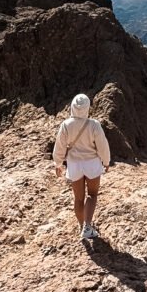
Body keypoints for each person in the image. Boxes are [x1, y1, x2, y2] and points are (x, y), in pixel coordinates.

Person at [53, 93, 111, 239]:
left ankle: (81, 225)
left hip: (74, 165)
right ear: (87, 108)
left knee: (78, 198)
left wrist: (58, 163)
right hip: (92, 164)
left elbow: (60, 146)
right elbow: (102, 145)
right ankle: (87, 227)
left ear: (72, 107)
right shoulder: (94, 125)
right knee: (92, 195)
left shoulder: (66, 125)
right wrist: (106, 161)